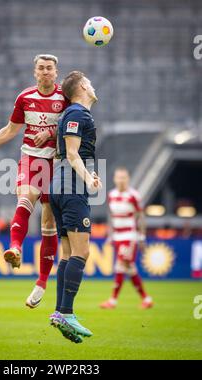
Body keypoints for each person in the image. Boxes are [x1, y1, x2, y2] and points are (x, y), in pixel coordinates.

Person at [0, 54, 68, 308]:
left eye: (49, 68)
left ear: (56, 72)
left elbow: (74, 125)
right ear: (34, 72)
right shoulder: (25, 98)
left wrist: (50, 132)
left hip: (56, 164)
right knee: (25, 196)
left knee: (48, 220)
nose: (45, 72)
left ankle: (41, 283)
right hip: (30, 160)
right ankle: (15, 248)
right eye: (40, 68)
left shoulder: (65, 98)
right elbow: (11, 129)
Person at [49, 71, 102, 343]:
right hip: (71, 189)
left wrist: (89, 175)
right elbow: (71, 154)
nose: (93, 85)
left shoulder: (75, 115)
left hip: (61, 186)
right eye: (89, 81)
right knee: (83, 252)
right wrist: (87, 180)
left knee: (68, 254)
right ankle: (67, 312)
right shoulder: (78, 113)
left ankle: (60, 313)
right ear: (82, 86)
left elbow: (71, 155)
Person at [100, 167, 153, 309]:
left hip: (129, 235)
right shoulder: (111, 194)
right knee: (129, 268)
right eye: (119, 177)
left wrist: (141, 237)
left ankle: (113, 300)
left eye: (124, 177)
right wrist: (110, 235)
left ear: (128, 179)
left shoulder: (133, 195)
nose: (121, 180)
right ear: (114, 179)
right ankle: (146, 299)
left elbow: (141, 217)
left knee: (121, 265)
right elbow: (111, 216)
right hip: (117, 235)